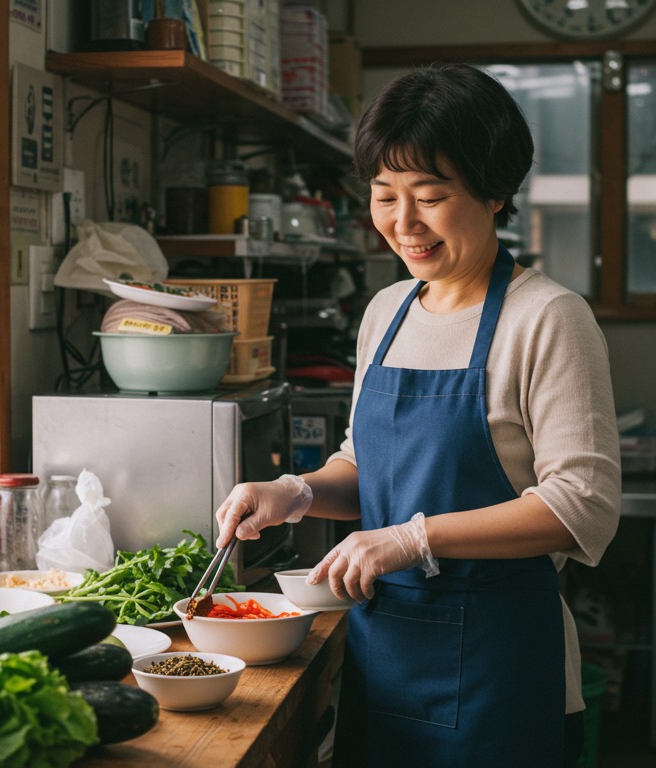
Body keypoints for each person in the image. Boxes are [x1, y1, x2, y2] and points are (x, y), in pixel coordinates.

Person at [214, 62, 621, 767]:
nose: (403, 224)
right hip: (384, 661)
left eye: (430, 196)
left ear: (494, 192)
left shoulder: (548, 318)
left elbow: (581, 506)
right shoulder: (387, 311)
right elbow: (366, 465)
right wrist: (296, 492)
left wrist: (412, 539)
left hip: (500, 673)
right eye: (384, 196)